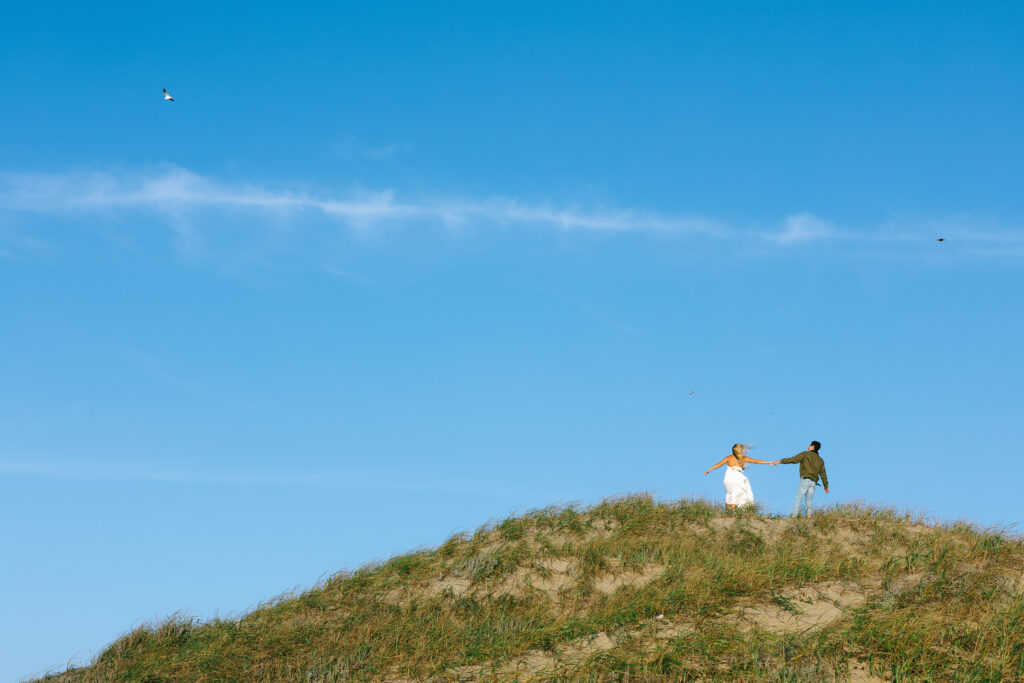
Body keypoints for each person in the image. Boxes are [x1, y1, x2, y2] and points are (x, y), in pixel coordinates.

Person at [704, 444, 775, 511]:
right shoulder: (743, 458)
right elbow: (756, 461)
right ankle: (733, 511)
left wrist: (709, 470)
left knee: (729, 493)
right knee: (737, 492)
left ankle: (728, 512)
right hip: (737, 476)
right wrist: (768, 462)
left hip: (728, 477)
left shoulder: (729, 457)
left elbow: (719, 464)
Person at [771, 441, 828, 516]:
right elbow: (823, 474)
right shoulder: (820, 460)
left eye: (809, 445)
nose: (808, 446)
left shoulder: (805, 454)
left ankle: (793, 516)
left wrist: (780, 461)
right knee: (809, 500)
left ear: (812, 447)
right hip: (813, 483)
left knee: (799, 498)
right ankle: (809, 517)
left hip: (805, 480)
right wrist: (826, 486)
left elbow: (793, 459)